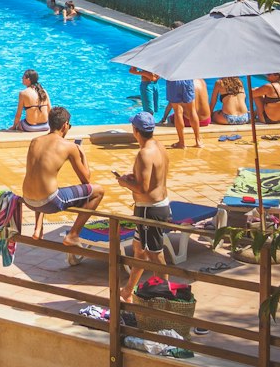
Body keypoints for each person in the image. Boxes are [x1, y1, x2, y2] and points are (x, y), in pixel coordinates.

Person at [21, 106, 104, 243]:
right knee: (98, 191)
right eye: (69, 126)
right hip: (50, 202)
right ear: (65, 125)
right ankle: (73, 235)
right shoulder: (69, 146)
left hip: (28, 200)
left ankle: (38, 228)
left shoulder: (34, 141)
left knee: (41, 179)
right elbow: (86, 179)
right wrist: (82, 153)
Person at [115, 111, 171, 302]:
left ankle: (166, 295)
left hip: (149, 209)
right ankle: (127, 291)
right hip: (159, 204)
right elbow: (154, 177)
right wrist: (133, 177)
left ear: (135, 131)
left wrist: (124, 182)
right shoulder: (159, 146)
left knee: (155, 255)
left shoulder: (144, 153)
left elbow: (143, 188)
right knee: (139, 250)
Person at [166, 78, 201, 149]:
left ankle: (181, 143)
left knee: (177, 111)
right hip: (187, 78)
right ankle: (198, 141)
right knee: (192, 110)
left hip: (174, 80)